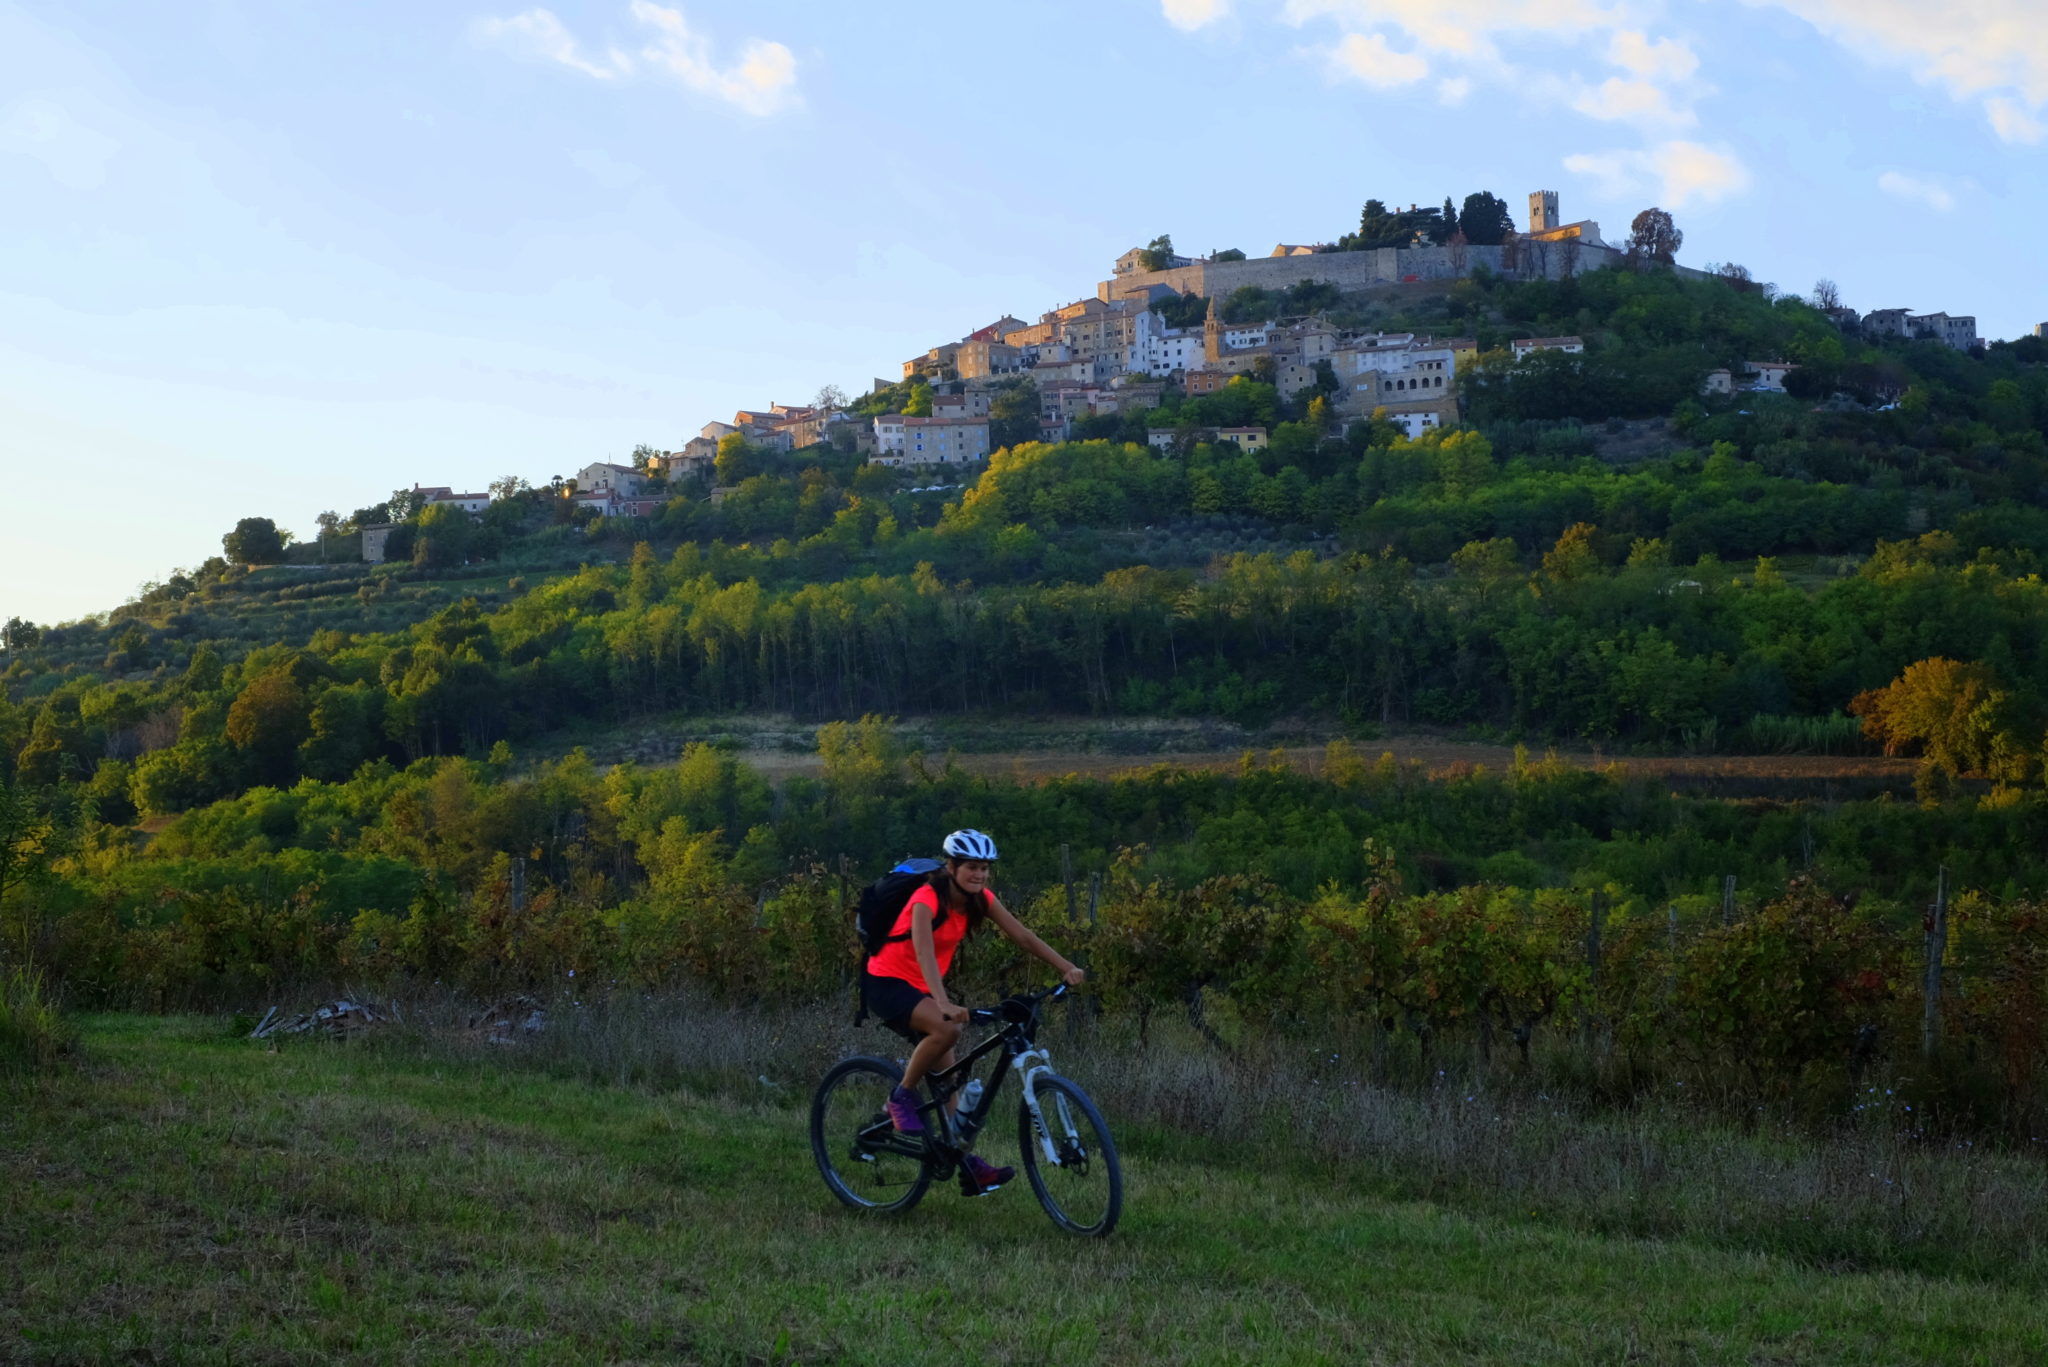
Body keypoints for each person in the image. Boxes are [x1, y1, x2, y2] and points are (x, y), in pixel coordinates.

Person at [862, 828, 1087, 1196]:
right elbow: (921, 950)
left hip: (922, 988)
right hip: (886, 981)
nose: (979, 874)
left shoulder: (980, 899)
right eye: (971, 867)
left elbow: (1023, 936)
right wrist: (944, 1003)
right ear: (951, 867)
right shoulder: (925, 897)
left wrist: (1065, 966)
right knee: (946, 1030)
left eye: (984, 868)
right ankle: (900, 1097)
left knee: (949, 1077)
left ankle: (967, 1166)